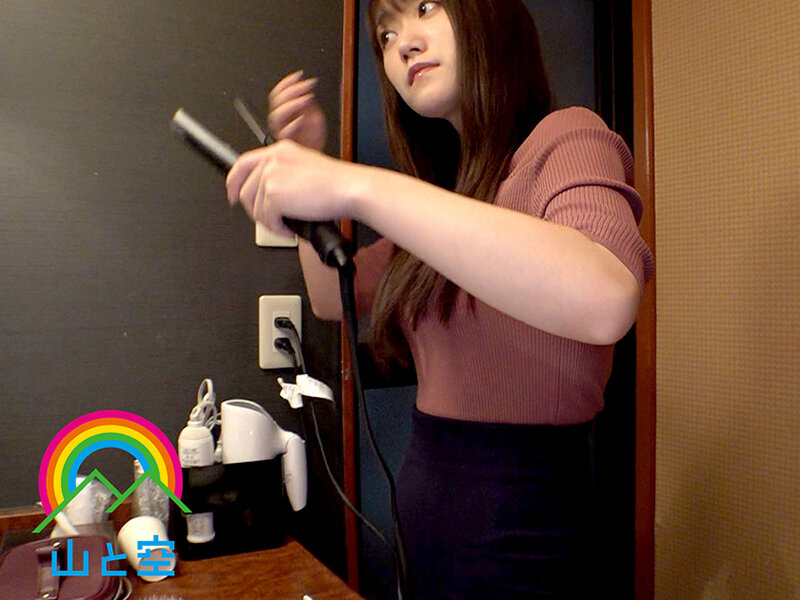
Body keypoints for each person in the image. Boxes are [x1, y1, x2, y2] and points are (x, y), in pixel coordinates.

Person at [226, 0, 654, 597]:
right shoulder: (448, 197)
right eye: (385, 33)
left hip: (527, 534)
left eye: (424, 7)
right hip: (426, 521)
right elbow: (331, 294)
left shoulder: (567, 137)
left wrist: (355, 186)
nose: (402, 43)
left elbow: (605, 298)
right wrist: (312, 189)